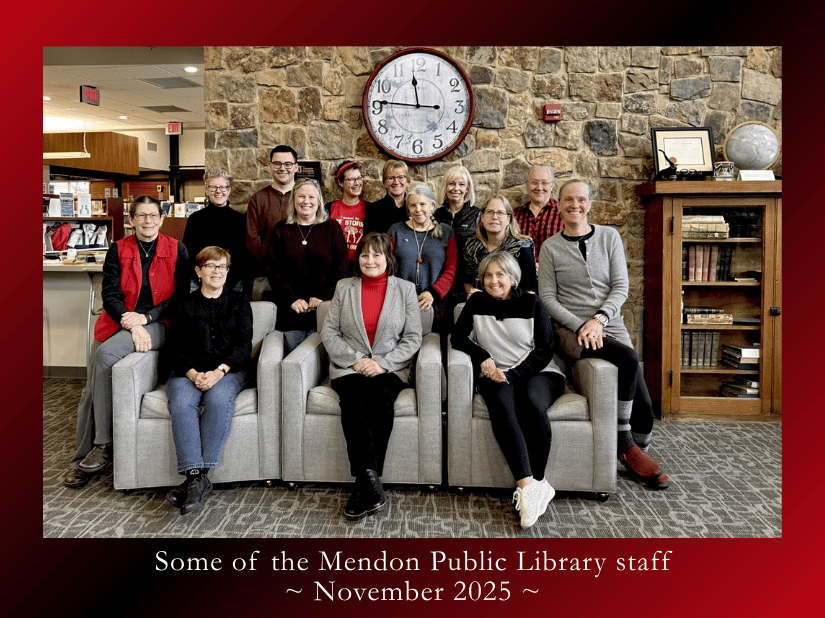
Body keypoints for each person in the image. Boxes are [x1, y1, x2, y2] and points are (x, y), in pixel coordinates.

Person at [538, 179, 669, 490]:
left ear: (590, 204)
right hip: (570, 330)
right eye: (568, 200)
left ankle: (637, 444)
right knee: (627, 357)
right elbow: (547, 298)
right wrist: (582, 324)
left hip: (608, 322)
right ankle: (624, 443)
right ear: (558, 205)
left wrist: (598, 319)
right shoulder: (550, 247)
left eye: (581, 199)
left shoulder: (610, 237)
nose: (574, 205)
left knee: (646, 410)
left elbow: (620, 287)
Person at [63, 196, 190, 489]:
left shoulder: (177, 249)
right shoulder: (118, 249)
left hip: (161, 323)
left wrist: (144, 320)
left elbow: (180, 298)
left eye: (153, 215)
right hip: (120, 321)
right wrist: (129, 321)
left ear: (161, 218)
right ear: (131, 220)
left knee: (106, 355)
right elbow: (109, 294)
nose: (147, 221)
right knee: (89, 389)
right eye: (141, 216)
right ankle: (82, 459)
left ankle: (103, 445)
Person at [451, 251, 565, 529]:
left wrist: (512, 374)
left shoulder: (533, 303)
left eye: (500, 274)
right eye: (488, 275)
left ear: (512, 277)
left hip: (537, 373)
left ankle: (538, 481)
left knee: (531, 403)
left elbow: (544, 349)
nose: (493, 281)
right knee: (501, 405)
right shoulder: (476, 302)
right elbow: (458, 337)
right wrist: (482, 357)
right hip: (494, 373)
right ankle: (527, 487)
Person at [321, 232, 422, 521]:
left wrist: (383, 363)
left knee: (381, 401)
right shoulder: (345, 287)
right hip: (349, 367)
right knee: (353, 400)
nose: (370, 260)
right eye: (365, 254)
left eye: (377, 254)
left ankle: (362, 485)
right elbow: (329, 332)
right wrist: (357, 361)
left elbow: (413, 337)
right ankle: (370, 480)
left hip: (389, 368)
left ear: (388, 259)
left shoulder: (404, 289)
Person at [165, 246, 253, 515]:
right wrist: (192, 373)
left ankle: (194, 478)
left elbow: (243, 345)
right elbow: (174, 348)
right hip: (187, 372)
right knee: (181, 403)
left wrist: (219, 371)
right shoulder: (183, 304)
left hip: (228, 371)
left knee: (217, 399)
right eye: (211, 266)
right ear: (199, 271)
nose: (217, 271)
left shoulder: (239, 301)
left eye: (222, 267)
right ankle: (198, 480)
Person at [267, 179, 348, 354]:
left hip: (325, 309)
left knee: (321, 359)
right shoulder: (281, 229)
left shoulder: (331, 227)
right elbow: (273, 270)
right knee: (294, 359)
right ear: (293, 200)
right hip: (290, 311)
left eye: (311, 196)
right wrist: (292, 299)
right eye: (301, 196)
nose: (306, 201)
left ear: (318, 201)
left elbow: (341, 267)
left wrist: (323, 297)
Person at [387, 184, 456, 330]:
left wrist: (433, 293)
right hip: (401, 305)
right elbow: (386, 267)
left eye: (422, 204)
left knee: (433, 349)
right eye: (413, 205)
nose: (418, 210)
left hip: (436, 306)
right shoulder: (395, 230)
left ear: (432, 206)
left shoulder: (446, 232)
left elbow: (451, 269)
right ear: (408, 209)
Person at [182, 169, 250, 294]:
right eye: (213, 187)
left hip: (232, 284)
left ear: (229, 190)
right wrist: (201, 279)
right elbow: (188, 253)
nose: (218, 191)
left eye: (223, 187)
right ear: (206, 190)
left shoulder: (239, 220)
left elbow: (242, 255)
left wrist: (226, 281)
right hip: (200, 283)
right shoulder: (195, 219)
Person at [463, 195, 537, 297]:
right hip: (479, 305)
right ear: (482, 217)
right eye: (489, 212)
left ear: (509, 219)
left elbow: (529, 290)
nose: (494, 217)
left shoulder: (522, 247)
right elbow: (467, 282)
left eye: (500, 213)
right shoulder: (472, 247)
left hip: (514, 306)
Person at [433, 165, 480, 316]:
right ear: (445, 187)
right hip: (442, 280)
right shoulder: (435, 215)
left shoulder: (477, 215)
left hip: (468, 281)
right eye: (451, 183)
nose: (456, 188)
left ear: (467, 188)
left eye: (461, 184)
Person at [246, 145, 298, 275]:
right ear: (270, 166)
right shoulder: (258, 198)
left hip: (300, 272)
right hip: (266, 272)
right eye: (277, 163)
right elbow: (252, 239)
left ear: (296, 167)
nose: (282, 168)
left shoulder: (306, 197)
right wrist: (272, 261)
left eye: (288, 164)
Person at [513, 165, 563, 265]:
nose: (539, 188)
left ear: (551, 185)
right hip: (521, 277)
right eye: (534, 182)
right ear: (527, 185)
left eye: (544, 183)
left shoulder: (563, 213)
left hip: (554, 276)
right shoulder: (514, 215)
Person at [327, 160, 367, 271]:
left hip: (360, 268)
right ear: (340, 183)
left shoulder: (370, 209)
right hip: (334, 268)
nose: (357, 183)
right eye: (351, 180)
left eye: (359, 178)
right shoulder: (329, 208)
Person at [364, 159, 410, 235]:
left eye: (400, 177)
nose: (396, 182)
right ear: (384, 182)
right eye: (391, 178)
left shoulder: (415, 208)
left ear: (407, 181)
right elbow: (370, 241)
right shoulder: (373, 209)